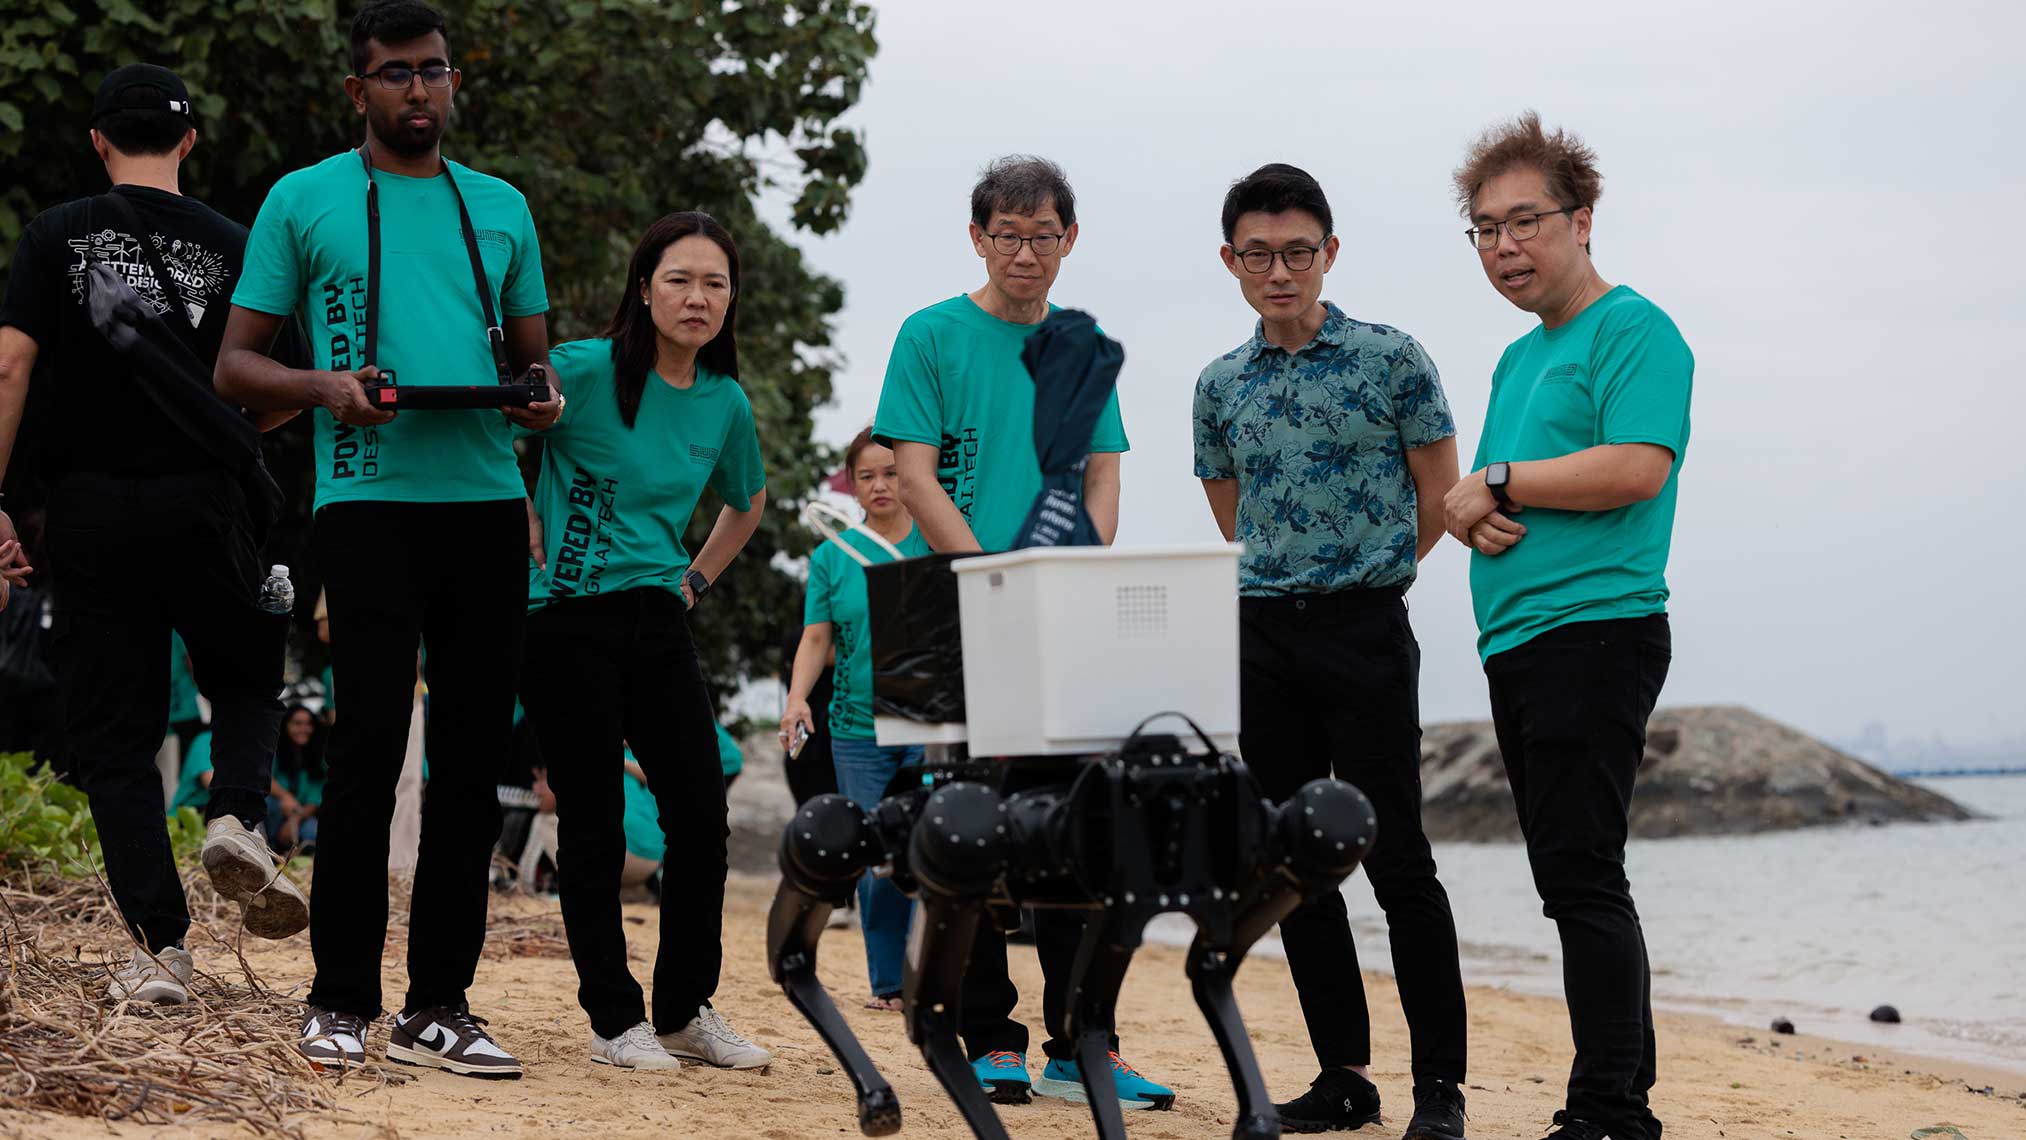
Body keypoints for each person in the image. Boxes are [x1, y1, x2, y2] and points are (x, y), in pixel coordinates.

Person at [213, 0, 562, 1076]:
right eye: (398, 73)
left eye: (436, 71)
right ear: (357, 90)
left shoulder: (498, 207)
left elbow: (534, 364)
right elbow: (234, 367)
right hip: (363, 504)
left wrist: (538, 402)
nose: (422, 89)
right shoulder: (304, 198)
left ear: (455, 83)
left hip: (484, 511)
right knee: (366, 751)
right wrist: (327, 386)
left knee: (467, 765)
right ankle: (340, 1001)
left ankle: (441, 1006)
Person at [0, 62, 310, 1006]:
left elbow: (11, 365)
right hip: (209, 503)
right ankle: (235, 813)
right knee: (248, 676)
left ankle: (161, 951)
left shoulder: (54, 235)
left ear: (98, 140)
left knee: (116, 735)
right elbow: (276, 389)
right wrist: (225, 437)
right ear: (187, 141)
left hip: (91, 513)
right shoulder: (236, 241)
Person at [872, 155, 1169, 1112]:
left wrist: (1073, 567)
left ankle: (1082, 1042)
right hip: (945, 602)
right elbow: (913, 473)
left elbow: (1102, 477)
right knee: (968, 820)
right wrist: (991, 577)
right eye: (1008, 235)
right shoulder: (930, 335)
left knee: (1079, 825)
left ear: (1069, 240)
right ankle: (987, 1036)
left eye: (1045, 236)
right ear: (978, 237)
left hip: (1060, 605)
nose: (1027, 253)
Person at [1191, 164, 1471, 1139]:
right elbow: (1233, 516)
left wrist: (1368, 568)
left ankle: (1440, 1089)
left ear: (1330, 253)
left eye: (1298, 252)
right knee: (1292, 864)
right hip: (1261, 635)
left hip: (1366, 627)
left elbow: (1441, 496)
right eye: (1259, 254)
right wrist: (1292, 579)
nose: (1280, 271)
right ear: (1231, 261)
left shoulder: (1391, 359)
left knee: (1398, 858)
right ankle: (1343, 1076)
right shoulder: (1218, 386)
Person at [1443, 112, 1693, 1140]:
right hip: (1524, 642)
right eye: (1484, 230)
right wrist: (1475, 508)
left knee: (1582, 877)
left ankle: (1607, 1110)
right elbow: (1501, 501)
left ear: (1582, 220)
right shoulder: (1518, 359)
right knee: (1574, 877)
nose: (1505, 247)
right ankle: (1616, 1101)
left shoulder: (1634, 329)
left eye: (1524, 222)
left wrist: (1492, 479)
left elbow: (1637, 465)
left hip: (1594, 632)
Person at [517, 210, 770, 1073]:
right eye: (680, 280)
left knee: (701, 812)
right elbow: (494, 432)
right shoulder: (584, 370)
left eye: (715, 284)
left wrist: (695, 580)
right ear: (644, 288)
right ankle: (613, 1020)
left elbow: (749, 501)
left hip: (659, 615)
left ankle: (683, 1009)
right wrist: (525, 527)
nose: (698, 298)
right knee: (591, 820)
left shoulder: (725, 401)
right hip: (566, 616)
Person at [780, 427, 932, 1012]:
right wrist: (797, 700)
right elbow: (817, 636)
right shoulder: (832, 556)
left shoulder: (936, 541)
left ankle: (934, 977)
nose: (880, 486)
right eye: (866, 476)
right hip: (856, 727)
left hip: (929, 725)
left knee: (928, 849)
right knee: (875, 856)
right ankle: (890, 984)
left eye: (891, 472)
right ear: (852, 485)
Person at [268, 704, 326, 851]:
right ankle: (269, 850)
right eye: (297, 724)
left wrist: (295, 820)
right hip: (275, 810)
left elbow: (315, 799)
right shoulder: (274, 750)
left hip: (301, 814)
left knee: (313, 832)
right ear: (286, 725)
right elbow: (264, 778)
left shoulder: (318, 756)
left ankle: (295, 854)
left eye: (308, 724)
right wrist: (285, 796)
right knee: (269, 805)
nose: (303, 729)